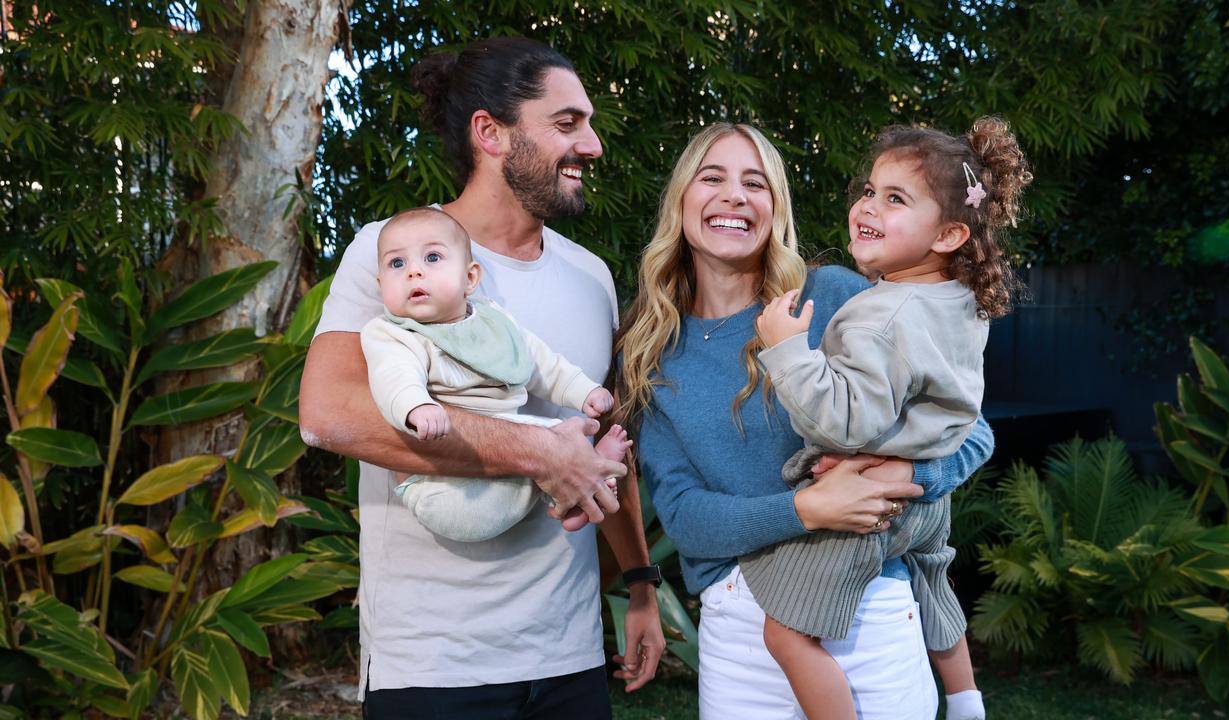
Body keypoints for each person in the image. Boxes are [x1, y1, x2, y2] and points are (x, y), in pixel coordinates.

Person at [299, 36, 664, 718]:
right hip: (435, 661)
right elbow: (329, 411)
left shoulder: (590, 277)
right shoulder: (396, 256)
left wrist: (641, 583)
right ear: (490, 132)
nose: (592, 146)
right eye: (566, 123)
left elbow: (608, 449)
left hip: (570, 654)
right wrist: (534, 449)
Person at [614, 122, 994, 720]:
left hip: (865, 605)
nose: (734, 195)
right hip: (738, 622)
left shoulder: (839, 296)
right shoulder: (651, 348)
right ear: (682, 199)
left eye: (755, 183)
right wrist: (805, 510)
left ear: (776, 206)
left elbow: (971, 429)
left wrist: (907, 470)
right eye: (712, 178)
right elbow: (685, 518)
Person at [742, 117, 1032, 720]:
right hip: (929, 501)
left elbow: (846, 424)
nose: (867, 206)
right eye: (870, 191)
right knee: (932, 581)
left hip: (875, 505)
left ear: (950, 233)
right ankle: (966, 699)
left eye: (895, 198)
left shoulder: (880, 314)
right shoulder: (957, 302)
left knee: (784, 635)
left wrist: (787, 350)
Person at [360, 207, 631, 542]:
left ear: (470, 278)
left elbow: (540, 363)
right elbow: (393, 377)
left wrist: (582, 391)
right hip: (441, 486)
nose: (413, 272)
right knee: (548, 439)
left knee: (549, 437)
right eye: (396, 264)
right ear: (380, 283)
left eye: (432, 257)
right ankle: (579, 479)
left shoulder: (493, 321)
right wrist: (416, 407)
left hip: (510, 453)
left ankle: (578, 489)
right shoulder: (393, 333)